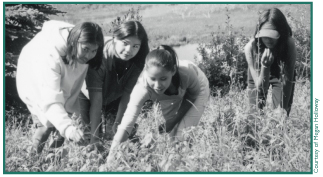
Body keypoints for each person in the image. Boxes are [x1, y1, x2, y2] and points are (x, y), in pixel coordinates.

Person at [106, 45, 210, 165]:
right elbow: (126, 123)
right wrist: (110, 159)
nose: (158, 84)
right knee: (171, 135)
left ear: (173, 71)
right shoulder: (142, 88)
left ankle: (187, 165)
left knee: (182, 134)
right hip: (168, 92)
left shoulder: (186, 73)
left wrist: (174, 119)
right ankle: (173, 165)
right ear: (146, 71)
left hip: (196, 89)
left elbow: (191, 96)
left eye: (163, 78)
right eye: (153, 78)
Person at [16, 20, 104, 154]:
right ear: (75, 41)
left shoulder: (82, 48)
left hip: (55, 76)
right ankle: (31, 161)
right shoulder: (50, 55)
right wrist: (68, 128)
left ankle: (52, 162)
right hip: (33, 76)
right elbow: (50, 100)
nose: (89, 56)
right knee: (45, 125)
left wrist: (67, 123)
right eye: (85, 49)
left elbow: (74, 85)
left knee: (62, 129)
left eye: (94, 51)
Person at [78, 20, 149, 149]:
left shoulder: (138, 61)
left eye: (135, 46)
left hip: (115, 95)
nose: (129, 50)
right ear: (115, 38)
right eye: (125, 43)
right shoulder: (100, 57)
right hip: (89, 96)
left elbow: (127, 93)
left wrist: (118, 122)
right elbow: (96, 100)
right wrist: (95, 138)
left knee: (117, 134)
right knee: (89, 137)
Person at [244, 8, 296, 116]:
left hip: (281, 74)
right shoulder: (251, 48)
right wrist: (265, 66)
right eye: (264, 36)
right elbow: (259, 88)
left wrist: (282, 111)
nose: (268, 39)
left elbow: (288, 81)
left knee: (280, 114)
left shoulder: (289, 44)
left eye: (272, 35)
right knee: (255, 115)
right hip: (259, 75)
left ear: (281, 32)